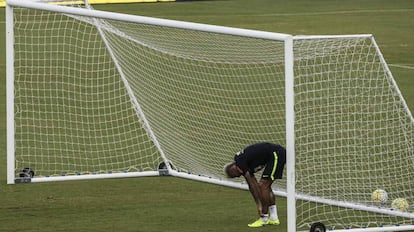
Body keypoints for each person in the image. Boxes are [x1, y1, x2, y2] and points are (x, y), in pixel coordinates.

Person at [224, 142, 286, 228]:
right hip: (274, 155)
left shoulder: (240, 161)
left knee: (263, 186)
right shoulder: (243, 165)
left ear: (234, 168)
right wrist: (258, 203)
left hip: (276, 154)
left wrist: (259, 205)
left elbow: (252, 185)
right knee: (265, 187)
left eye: (237, 174)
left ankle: (264, 218)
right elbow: (252, 185)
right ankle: (274, 218)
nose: (239, 175)